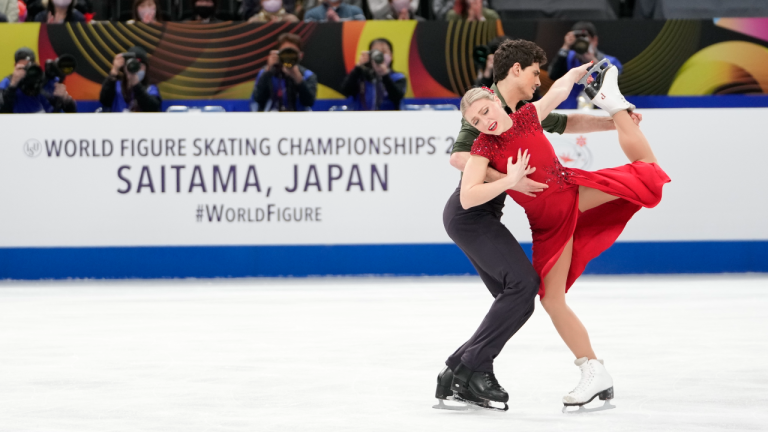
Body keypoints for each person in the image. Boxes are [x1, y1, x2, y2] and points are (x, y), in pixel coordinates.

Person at [459, 53, 670, 410]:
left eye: (485, 111)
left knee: (647, 174)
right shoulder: (483, 148)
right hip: (547, 227)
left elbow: (556, 93)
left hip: (574, 192)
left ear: (495, 101)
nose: (484, 121)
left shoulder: (526, 117)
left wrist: (575, 73)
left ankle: (613, 103)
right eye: (475, 120)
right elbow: (467, 198)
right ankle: (594, 370)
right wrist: (508, 181)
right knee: (550, 299)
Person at [548, 22, 623, 109]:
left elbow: (615, 81)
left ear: (595, 40)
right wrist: (566, 46)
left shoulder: (609, 61)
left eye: (585, 39)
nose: (581, 42)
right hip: (570, 110)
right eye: (578, 39)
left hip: (600, 110)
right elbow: (553, 75)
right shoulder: (568, 58)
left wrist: (594, 61)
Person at [252, 33, 317, 112]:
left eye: (292, 53)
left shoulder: (308, 75)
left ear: (300, 56)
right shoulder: (265, 72)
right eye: (285, 52)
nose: (288, 57)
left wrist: (299, 80)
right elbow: (258, 99)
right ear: (278, 54)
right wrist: (268, 71)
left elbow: (309, 102)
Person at [0, 47, 76, 114]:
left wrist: (64, 98)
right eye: (22, 68)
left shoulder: (47, 80)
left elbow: (71, 111)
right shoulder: (8, 82)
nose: (26, 71)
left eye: (29, 66)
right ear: (15, 66)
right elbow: (3, 110)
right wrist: (13, 85)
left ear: (35, 64)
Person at [340, 39, 406, 111]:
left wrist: (384, 75)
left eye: (384, 51)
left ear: (391, 55)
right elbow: (346, 91)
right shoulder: (360, 77)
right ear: (370, 55)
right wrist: (358, 68)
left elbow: (397, 97)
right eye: (376, 52)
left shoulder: (398, 77)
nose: (380, 55)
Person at [99, 46, 162, 113]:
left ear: (146, 68)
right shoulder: (115, 86)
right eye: (132, 65)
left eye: (140, 66)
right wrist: (114, 71)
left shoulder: (151, 89)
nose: (136, 70)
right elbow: (104, 100)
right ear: (125, 66)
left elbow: (153, 109)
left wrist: (136, 84)